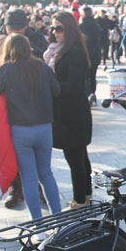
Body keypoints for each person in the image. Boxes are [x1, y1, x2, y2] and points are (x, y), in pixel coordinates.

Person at [0, 34, 61, 221]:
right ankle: (59, 220)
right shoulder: (42, 67)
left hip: (20, 130)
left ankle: (37, 225)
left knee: (29, 177)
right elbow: (57, 90)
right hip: (44, 127)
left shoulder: (6, 70)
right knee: (46, 173)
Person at [0, 9, 45, 208]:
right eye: (11, 28)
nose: (15, 32)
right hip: (6, 104)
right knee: (11, 148)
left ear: (26, 26)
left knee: (33, 149)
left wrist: (27, 50)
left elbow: (45, 60)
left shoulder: (34, 37)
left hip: (31, 102)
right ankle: (15, 188)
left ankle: (36, 187)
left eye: (19, 28)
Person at [44, 11, 93, 208]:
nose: (55, 32)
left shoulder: (74, 52)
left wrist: (50, 83)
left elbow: (74, 85)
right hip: (67, 113)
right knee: (79, 157)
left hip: (73, 114)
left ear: (69, 29)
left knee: (76, 159)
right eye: (53, 28)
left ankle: (80, 200)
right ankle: (86, 195)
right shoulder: (58, 50)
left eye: (59, 28)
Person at [79, 6, 102, 106]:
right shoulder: (96, 25)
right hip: (95, 53)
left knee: (86, 75)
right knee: (93, 75)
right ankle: (93, 93)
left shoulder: (81, 26)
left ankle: (88, 93)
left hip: (85, 53)